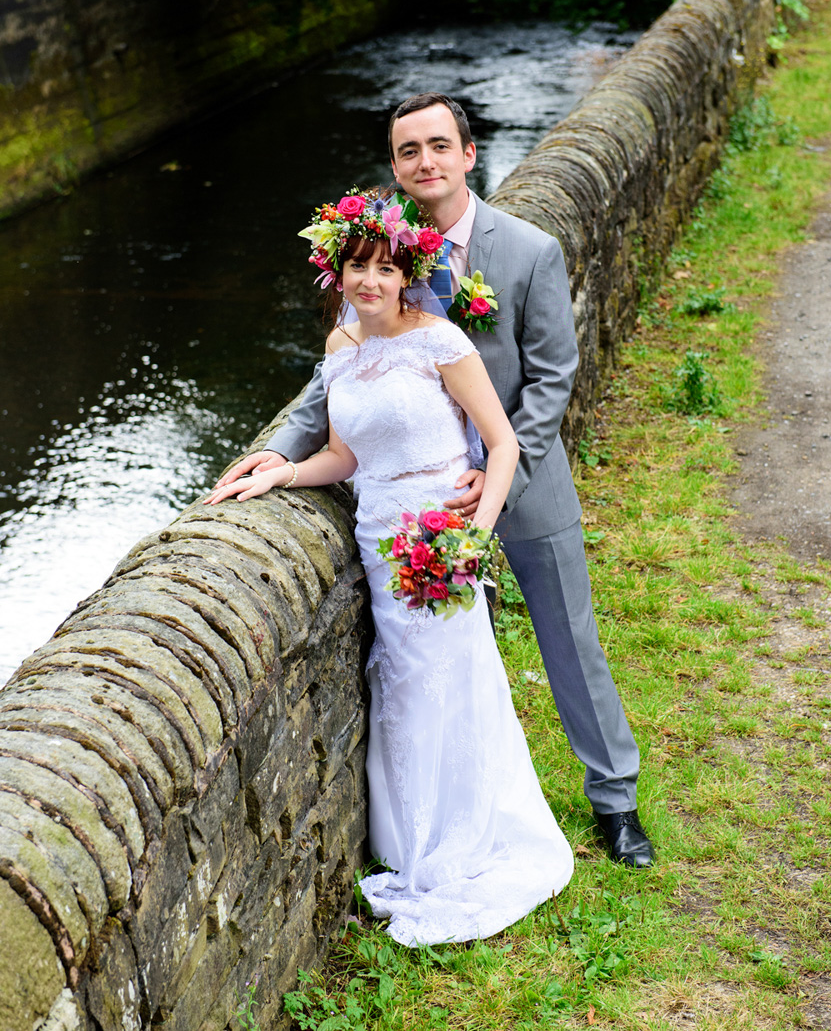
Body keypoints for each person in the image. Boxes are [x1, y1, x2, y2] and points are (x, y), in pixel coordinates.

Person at [219, 93, 654, 869]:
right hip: (411, 505)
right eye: (408, 150)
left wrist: (489, 477)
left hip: (518, 486)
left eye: (438, 145)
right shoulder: (384, 255)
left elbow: (552, 381)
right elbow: (342, 376)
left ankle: (614, 801)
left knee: (569, 642)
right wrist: (280, 450)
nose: (425, 161)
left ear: (467, 153)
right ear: (394, 166)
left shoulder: (526, 249)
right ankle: (466, 813)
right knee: (451, 662)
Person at [207, 193, 573, 945]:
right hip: (378, 539)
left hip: (437, 538)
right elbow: (344, 456)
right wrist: (281, 473)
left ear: (407, 273)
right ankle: (412, 844)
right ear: (335, 272)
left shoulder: (440, 341)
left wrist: (471, 535)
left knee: (448, 681)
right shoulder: (343, 351)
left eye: (384, 267)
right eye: (356, 266)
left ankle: (460, 841)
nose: (369, 279)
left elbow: (499, 444)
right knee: (402, 684)